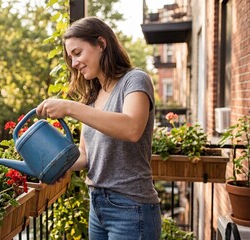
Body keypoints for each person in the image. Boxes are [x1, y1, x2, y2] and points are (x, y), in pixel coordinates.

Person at [36, 16, 161, 240]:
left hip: (131, 208)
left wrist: (69, 107)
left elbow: (132, 128)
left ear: (101, 44)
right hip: (97, 206)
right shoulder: (93, 98)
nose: (74, 63)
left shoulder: (135, 81)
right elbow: (84, 156)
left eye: (77, 53)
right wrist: (52, 164)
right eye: (70, 57)